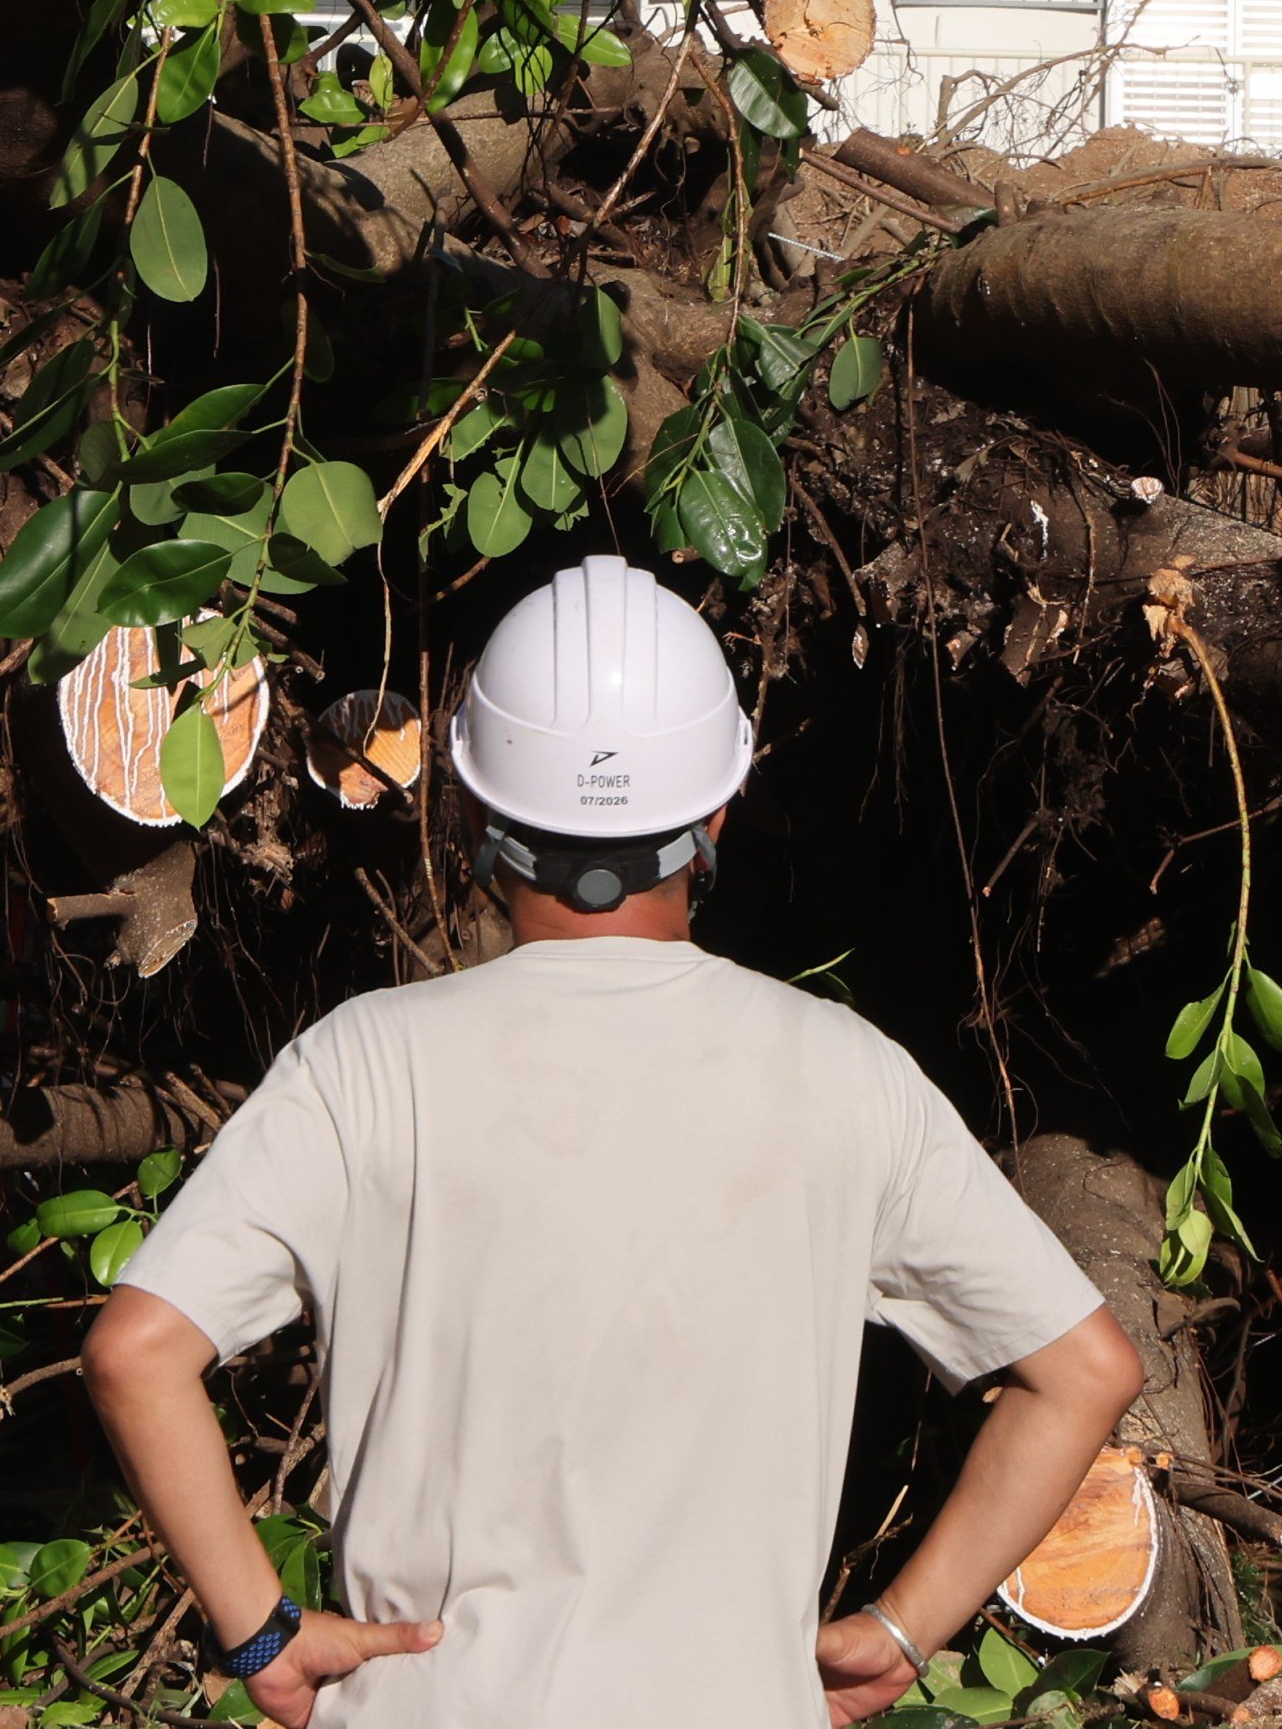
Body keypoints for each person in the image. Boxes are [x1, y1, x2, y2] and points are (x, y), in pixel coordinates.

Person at [86, 554, 1147, 1729]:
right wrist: (900, 1634)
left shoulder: (363, 1065)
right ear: (719, 811)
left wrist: (266, 1634)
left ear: (479, 809)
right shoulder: (845, 1077)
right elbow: (1085, 1372)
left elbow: (138, 1355)